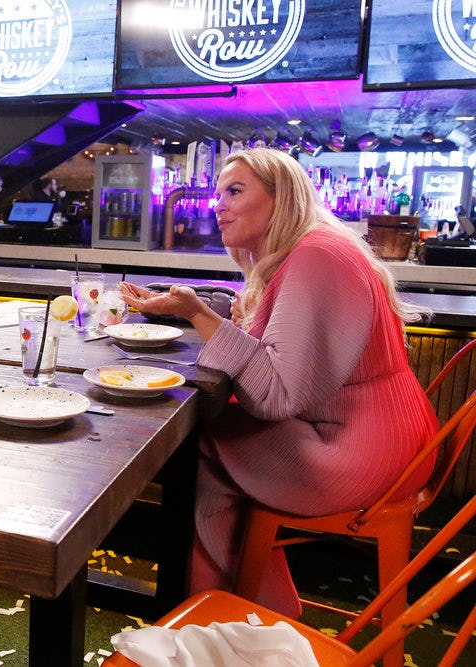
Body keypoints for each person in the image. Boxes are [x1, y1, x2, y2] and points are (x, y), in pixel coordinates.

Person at [119, 147, 438, 618]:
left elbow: (275, 395)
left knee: (197, 443)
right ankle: (248, 607)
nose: (218, 206)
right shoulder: (315, 248)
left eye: (234, 191)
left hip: (357, 451)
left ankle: (226, 612)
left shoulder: (318, 256)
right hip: (390, 434)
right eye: (218, 194)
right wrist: (198, 307)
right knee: (214, 438)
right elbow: (275, 335)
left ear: (281, 197)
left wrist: (197, 313)